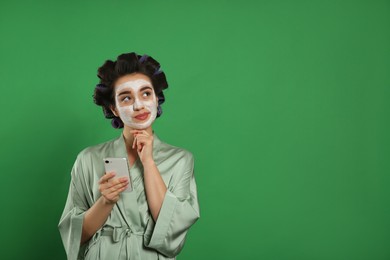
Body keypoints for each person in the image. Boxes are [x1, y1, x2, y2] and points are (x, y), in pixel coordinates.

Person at [58, 52, 200, 260]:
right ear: (113, 108)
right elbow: (74, 236)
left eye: (145, 94)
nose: (138, 105)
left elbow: (172, 232)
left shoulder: (180, 160)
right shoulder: (88, 159)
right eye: (126, 98)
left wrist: (149, 162)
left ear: (156, 99)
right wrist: (105, 201)